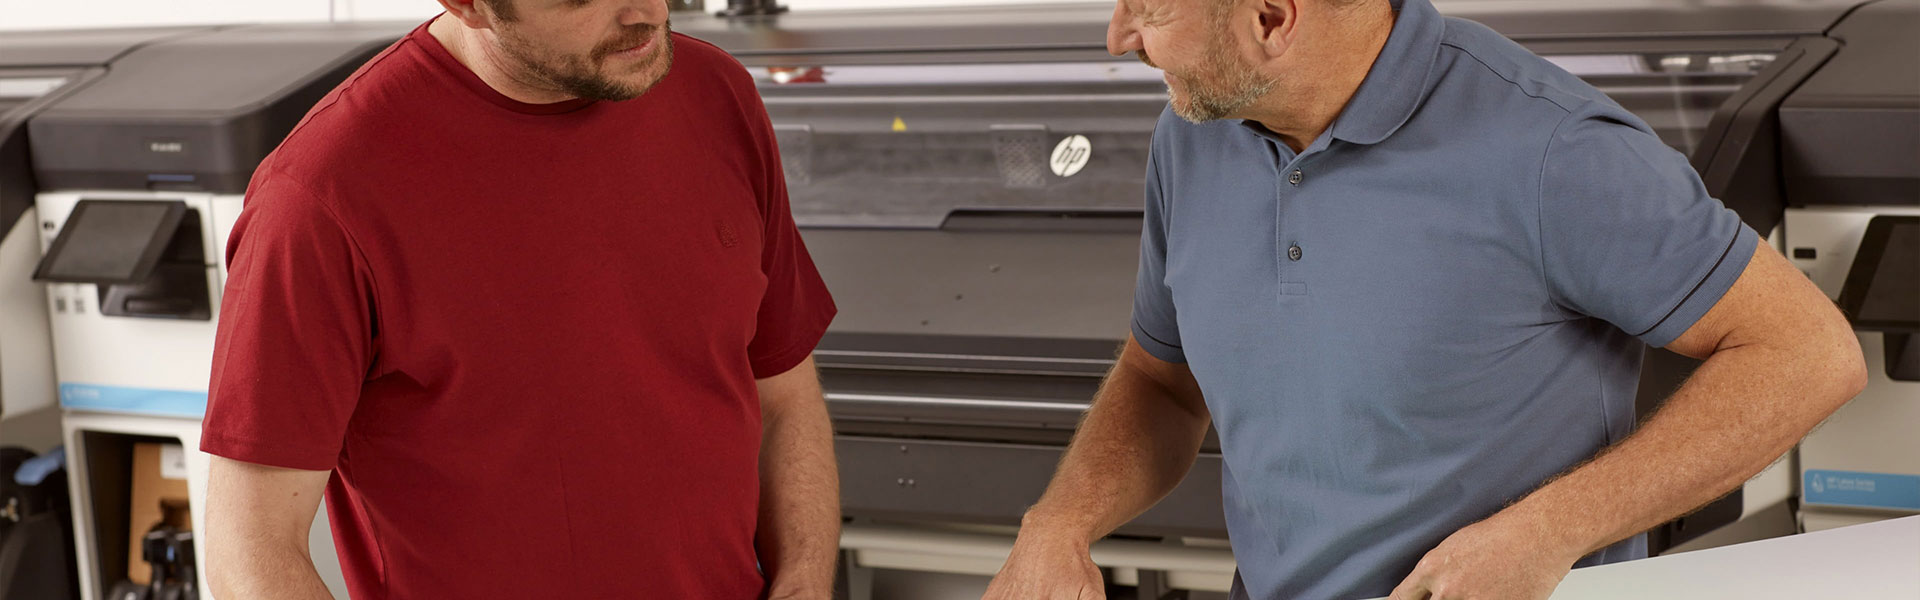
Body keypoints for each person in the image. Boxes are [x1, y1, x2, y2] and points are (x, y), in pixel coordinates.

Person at [983, 0, 1867, 598]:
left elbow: (1805, 354)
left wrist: (1549, 531)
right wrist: (1060, 522)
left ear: (1271, 17)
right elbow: (1164, 379)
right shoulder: (1191, 140)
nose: (1117, 36)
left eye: (1150, 7)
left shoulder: (1553, 147)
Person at [198, 1, 840, 598]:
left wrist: (804, 582)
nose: (643, 10)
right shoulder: (320, 196)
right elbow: (250, 554)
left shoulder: (716, 93)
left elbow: (782, 394)